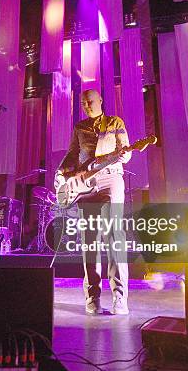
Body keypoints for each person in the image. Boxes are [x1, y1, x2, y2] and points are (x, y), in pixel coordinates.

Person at [55, 89, 131, 315]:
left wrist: (124, 153)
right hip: (85, 184)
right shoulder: (80, 127)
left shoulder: (115, 122)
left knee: (114, 235)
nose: (87, 105)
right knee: (90, 241)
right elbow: (72, 154)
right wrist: (61, 174)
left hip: (111, 179)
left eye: (90, 102)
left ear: (100, 101)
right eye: (83, 103)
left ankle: (120, 297)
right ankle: (92, 297)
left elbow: (126, 153)